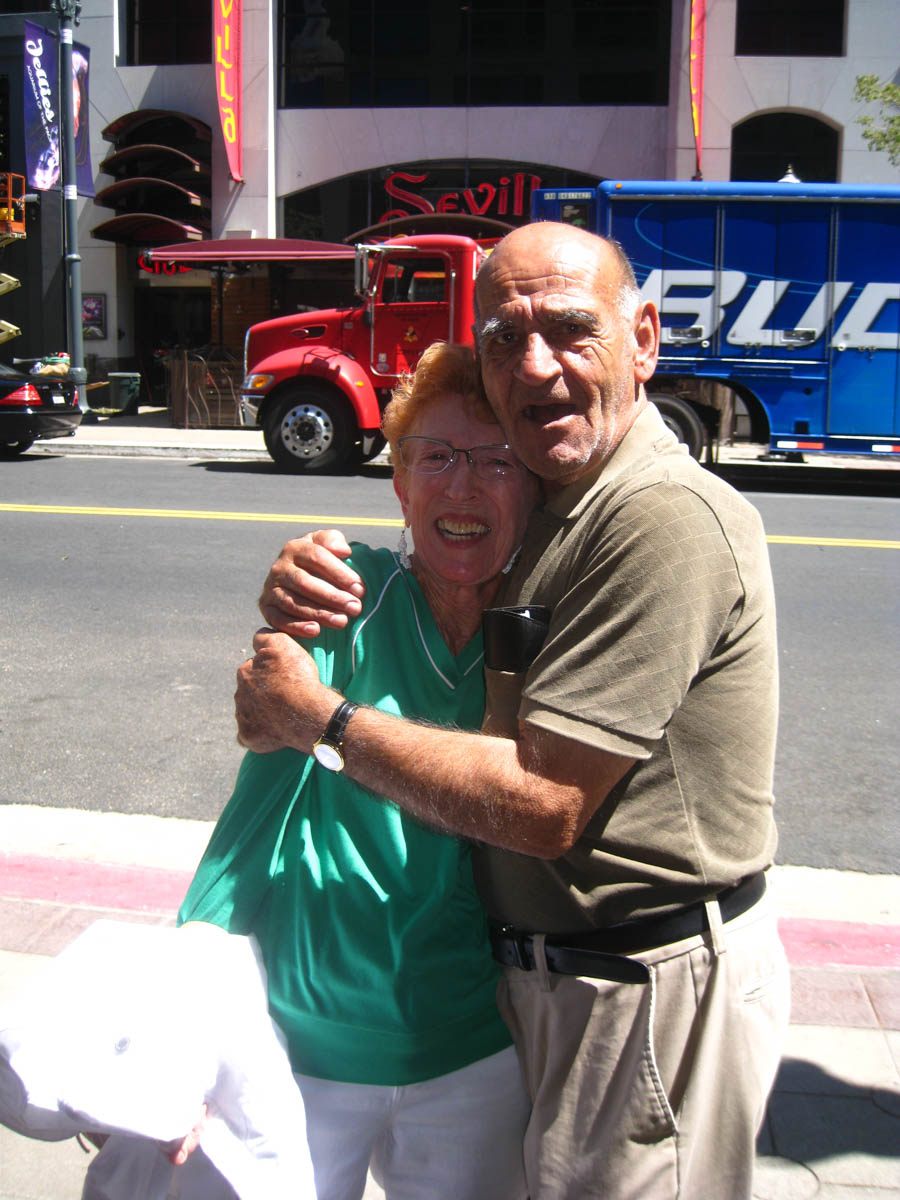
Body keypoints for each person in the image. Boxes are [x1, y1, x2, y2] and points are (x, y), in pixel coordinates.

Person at [237, 221, 791, 1200]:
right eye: (504, 338)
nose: (536, 366)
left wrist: (322, 719)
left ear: (644, 341)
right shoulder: (560, 497)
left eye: (571, 328)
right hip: (546, 992)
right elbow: (447, 518)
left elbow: (544, 802)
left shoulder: (659, 516)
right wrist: (310, 574)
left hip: (644, 990)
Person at [179, 342, 538, 1200]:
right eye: (434, 457)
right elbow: (253, 813)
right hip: (299, 1052)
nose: (463, 486)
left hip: (475, 1053)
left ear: (533, 488)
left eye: (495, 461)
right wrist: (185, 1019)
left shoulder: (548, 635)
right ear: (399, 486)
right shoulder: (342, 597)